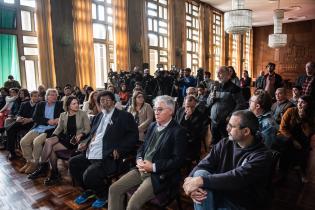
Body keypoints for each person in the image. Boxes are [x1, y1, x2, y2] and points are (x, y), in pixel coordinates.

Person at [108, 95, 187, 210]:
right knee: (114, 189)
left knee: (132, 205)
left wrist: (153, 167)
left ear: (171, 111)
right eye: (155, 109)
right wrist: (139, 159)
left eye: (160, 109)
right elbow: (143, 147)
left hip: (159, 175)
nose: (156, 112)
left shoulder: (178, 131)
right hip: (142, 168)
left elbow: (178, 161)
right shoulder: (153, 125)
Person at [183, 110, 272, 210]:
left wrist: (200, 181)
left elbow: (237, 177)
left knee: (201, 180)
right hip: (220, 190)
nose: (227, 129)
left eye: (231, 126)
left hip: (240, 203)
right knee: (200, 173)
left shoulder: (263, 156)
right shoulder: (225, 143)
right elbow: (205, 163)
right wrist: (189, 181)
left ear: (246, 131)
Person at [69, 91, 138, 209]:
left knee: (89, 175)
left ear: (114, 102)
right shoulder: (98, 116)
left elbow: (133, 136)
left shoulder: (124, 116)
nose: (104, 103)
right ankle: (90, 190)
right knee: (73, 163)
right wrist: (85, 143)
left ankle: (103, 195)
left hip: (109, 156)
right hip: (92, 152)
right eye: (101, 100)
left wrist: (120, 149)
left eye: (107, 100)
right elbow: (92, 134)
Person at [28, 96, 91, 185]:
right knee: (49, 143)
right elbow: (59, 128)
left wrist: (81, 134)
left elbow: (88, 129)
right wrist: (54, 136)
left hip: (76, 140)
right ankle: (52, 171)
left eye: (77, 103)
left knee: (50, 144)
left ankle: (47, 170)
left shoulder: (82, 114)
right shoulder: (63, 115)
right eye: (74, 104)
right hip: (65, 137)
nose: (77, 105)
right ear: (68, 106)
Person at [19, 89, 63, 174]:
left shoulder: (59, 104)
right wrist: (47, 121)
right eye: (52, 95)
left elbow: (65, 115)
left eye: (55, 95)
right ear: (47, 96)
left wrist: (59, 119)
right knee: (23, 142)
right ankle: (29, 161)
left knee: (37, 142)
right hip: (38, 127)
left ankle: (36, 163)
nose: (54, 97)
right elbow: (35, 117)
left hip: (50, 129)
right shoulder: (40, 104)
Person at [275, 95, 315, 183]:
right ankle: (285, 172)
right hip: (285, 136)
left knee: (305, 146)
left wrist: (303, 119)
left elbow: (308, 133)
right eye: (299, 102)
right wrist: (293, 140)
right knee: (288, 145)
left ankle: (300, 169)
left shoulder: (311, 115)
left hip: (301, 137)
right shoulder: (291, 111)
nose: (299, 104)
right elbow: (282, 128)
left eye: (303, 102)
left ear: (309, 105)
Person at [207, 66, 245, 144]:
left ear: (228, 74)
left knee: (227, 143)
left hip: (226, 122)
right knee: (215, 142)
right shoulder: (215, 87)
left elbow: (241, 104)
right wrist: (211, 98)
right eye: (217, 73)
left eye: (220, 73)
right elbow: (208, 102)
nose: (217, 76)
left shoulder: (235, 88)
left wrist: (230, 116)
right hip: (214, 121)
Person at [6, 91, 39, 160]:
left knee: (9, 128)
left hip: (32, 123)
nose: (37, 98)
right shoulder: (24, 104)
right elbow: (18, 113)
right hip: (22, 122)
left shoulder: (40, 105)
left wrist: (30, 119)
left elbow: (39, 116)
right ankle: (12, 153)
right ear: (31, 97)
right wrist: (18, 118)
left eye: (38, 96)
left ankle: (4, 129)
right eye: (35, 96)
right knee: (10, 130)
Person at [175, 95, 207, 161]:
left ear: (195, 104)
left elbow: (196, 133)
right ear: (184, 104)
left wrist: (187, 119)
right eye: (187, 106)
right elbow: (175, 124)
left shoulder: (200, 115)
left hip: (191, 141)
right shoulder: (180, 111)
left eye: (192, 107)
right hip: (178, 137)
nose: (189, 109)